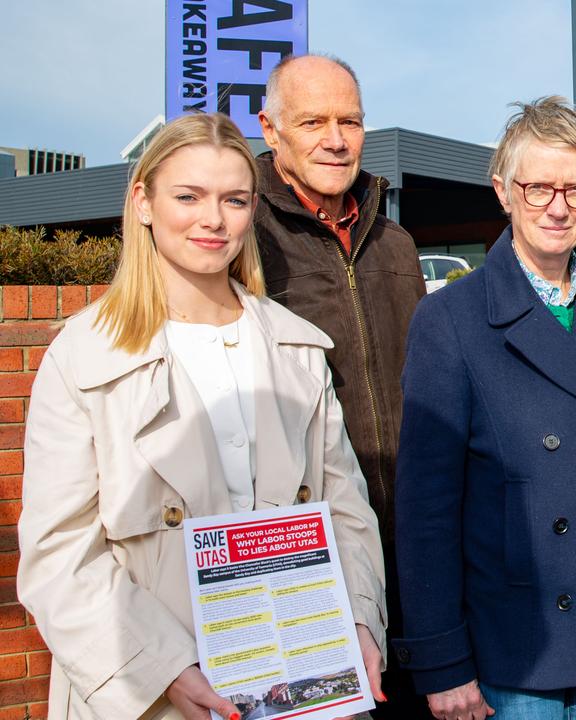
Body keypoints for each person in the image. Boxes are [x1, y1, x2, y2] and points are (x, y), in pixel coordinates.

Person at [17, 112, 386, 720]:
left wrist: (358, 621)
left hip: (304, 685)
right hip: (156, 698)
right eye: (188, 196)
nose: (213, 219)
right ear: (143, 202)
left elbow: (347, 510)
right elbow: (60, 556)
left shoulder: (298, 348)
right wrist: (163, 670)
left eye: (235, 200)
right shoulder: (82, 357)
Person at [392, 97, 576, 720]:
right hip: (515, 641)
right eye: (538, 188)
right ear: (503, 191)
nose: (558, 208)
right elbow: (426, 510)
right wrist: (442, 660)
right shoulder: (450, 318)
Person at [255, 54, 425, 713]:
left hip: (412, 547)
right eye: (313, 121)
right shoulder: (248, 241)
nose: (335, 138)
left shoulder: (396, 244)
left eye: (350, 120)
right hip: (306, 555)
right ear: (272, 131)